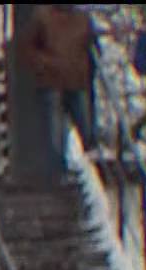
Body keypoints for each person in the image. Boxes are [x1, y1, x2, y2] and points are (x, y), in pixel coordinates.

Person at [13, 4, 96, 168]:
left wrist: (86, 69)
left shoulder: (83, 19)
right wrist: (44, 64)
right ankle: (58, 170)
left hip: (77, 80)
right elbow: (26, 48)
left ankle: (90, 163)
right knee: (55, 130)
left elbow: (92, 48)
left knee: (85, 127)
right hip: (52, 80)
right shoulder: (42, 17)